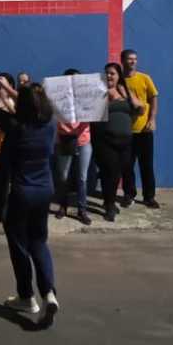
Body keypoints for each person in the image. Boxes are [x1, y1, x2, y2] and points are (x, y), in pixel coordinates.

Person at [0, 77, 60, 326]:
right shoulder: (50, 126)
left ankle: (26, 297)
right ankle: (49, 293)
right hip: (45, 191)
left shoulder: (16, 127)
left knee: (19, 245)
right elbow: (30, 104)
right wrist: (11, 90)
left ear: (21, 105)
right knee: (39, 242)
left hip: (21, 193)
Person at [92, 63, 145, 222]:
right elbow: (93, 114)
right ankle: (109, 205)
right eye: (106, 73)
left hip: (126, 140)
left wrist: (128, 95)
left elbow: (141, 109)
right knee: (110, 172)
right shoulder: (99, 92)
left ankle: (108, 200)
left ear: (118, 76)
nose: (109, 76)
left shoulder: (125, 91)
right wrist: (107, 99)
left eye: (112, 73)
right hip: (106, 139)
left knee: (117, 173)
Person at [120, 49, 160, 209]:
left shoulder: (145, 78)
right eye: (129, 59)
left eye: (135, 59)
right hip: (126, 131)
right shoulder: (119, 81)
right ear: (122, 61)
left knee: (147, 166)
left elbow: (154, 99)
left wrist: (152, 119)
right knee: (126, 166)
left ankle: (149, 197)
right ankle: (129, 195)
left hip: (144, 131)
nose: (133, 62)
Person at [53, 68, 93, 225]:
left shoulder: (87, 97)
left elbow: (97, 111)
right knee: (63, 176)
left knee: (82, 178)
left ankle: (82, 210)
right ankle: (63, 205)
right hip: (64, 139)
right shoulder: (57, 96)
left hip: (83, 140)